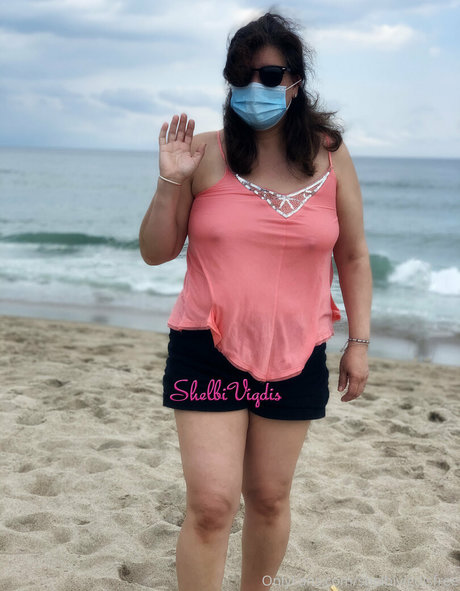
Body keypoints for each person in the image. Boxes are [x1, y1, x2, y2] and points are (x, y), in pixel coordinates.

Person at [139, 12, 372, 591]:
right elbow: (156, 252)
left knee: (269, 498)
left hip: (297, 351)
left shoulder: (329, 154)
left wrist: (359, 342)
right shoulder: (202, 152)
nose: (255, 88)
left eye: (269, 76)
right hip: (206, 349)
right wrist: (170, 181)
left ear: (295, 81)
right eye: (241, 76)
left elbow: (353, 255)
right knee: (212, 505)